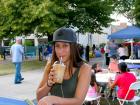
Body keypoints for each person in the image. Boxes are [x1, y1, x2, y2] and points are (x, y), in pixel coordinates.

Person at [36, 28, 91, 105]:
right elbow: (39, 97)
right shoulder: (51, 64)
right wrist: (49, 83)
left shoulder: (84, 68)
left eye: (65, 46)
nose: (60, 51)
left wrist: (53, 99)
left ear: (73, 48)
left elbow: (78, 101)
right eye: (57, 46)